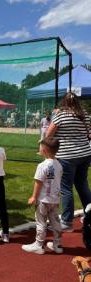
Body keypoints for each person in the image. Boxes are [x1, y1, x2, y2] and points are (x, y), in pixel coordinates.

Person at [45, 92, 91, 232]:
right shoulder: (85, 115)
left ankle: (67, 221)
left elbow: (48, 134)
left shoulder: (61, 115)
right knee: (82, 185)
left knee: (66, 189)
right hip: (84, 153)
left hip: (66, 156)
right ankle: (89, 215)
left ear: (64, 102)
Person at [22, 137, 63, 254]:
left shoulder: (42, 166)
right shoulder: (59, 165)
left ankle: (38, 245)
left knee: (41, 222)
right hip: (55, 200)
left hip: (43, 200)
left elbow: (38, 182)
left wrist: (34, 197)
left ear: (44, 151)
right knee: (55, 222)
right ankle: (57, 245)